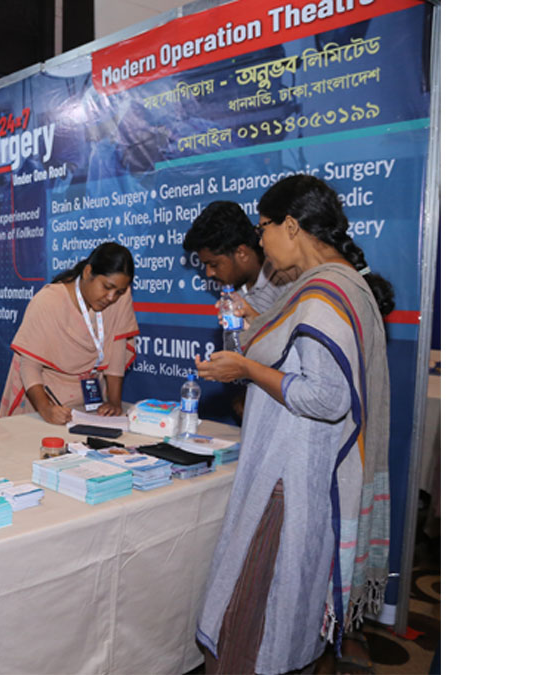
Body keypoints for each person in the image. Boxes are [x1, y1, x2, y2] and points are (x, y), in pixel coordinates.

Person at [192, 176, 392, 674]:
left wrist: (247, 369)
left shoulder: (324, 294)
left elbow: (325, 397)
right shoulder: (339, 283)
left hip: (291, 475)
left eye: (263, 228)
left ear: (292, 225)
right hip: (306, 468)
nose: (260, 241)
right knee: (278, 608)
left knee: (253, 613)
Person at [0, 242, 139, 423]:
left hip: (91, 405)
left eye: (119, 291)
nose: (111, 297)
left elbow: (117, 353)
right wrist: (46, 410)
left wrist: (113, 402)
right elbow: (29, 366)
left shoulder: (120, 297)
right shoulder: (48, 301)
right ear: (88, 272)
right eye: (106, 287)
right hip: (46, 399)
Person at [183, 200, 296, 316]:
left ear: (241, 253)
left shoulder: (287, 282)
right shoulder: (234, 289)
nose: (208, 273)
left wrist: (252, 318)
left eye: (213, 264)